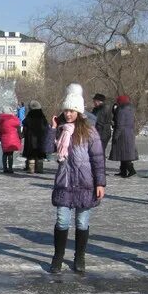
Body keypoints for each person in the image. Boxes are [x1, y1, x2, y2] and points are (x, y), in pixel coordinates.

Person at [46, 83, 106, 274]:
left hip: (85, 183)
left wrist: (100, 183)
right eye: (66, 110)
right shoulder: (61, 130)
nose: (68, 114)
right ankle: (58, 257)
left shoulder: (89, 131)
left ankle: (79, 257)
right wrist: (52, 128)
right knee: (62, 221)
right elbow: (47, 149)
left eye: (72, 111)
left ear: (79, 112)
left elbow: (98, 159)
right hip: (64, 182)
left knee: (82, 222)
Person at [109, 95, 138, 177]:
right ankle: (123, 171)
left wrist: (115, 136)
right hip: (129, 133)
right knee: (124, 153)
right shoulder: (130, 109)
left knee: (124, 154)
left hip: (123, 134)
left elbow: (120, 124)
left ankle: (131, 170)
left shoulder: (121, 110)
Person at [22, 100, 48, 174]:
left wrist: (23, 134)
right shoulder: (42, 116)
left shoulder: (29, 116)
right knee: (39, 154)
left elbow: (25, 126)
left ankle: (31, 169)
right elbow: (46, 126)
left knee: (31, 154)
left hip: (30, 138)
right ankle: (40, 168)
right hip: (40, 138)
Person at [0, 109, 22, 173]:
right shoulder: (12, 119)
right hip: (12, 138)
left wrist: (0, 137)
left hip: (4, 137)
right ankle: (10, 168)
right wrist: (14, 116)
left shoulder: (0, 121)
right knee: (10, 154)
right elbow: (18, 123)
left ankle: (5, 168)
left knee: (5, 153)